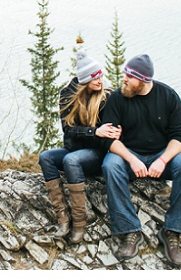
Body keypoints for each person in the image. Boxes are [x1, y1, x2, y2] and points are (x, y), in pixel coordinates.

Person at [100, 53, 181, 266]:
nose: (124, 79)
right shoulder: (118, 98)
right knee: (110, 165)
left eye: (129, 76)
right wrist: (131, 159)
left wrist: (162, 160)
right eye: (125, 74)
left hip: (161, 155)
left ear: (143, 80)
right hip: (128, 155)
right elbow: (108, 140)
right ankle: (130, 230)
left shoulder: (168, 96)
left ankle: (172, 232)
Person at [38, 44, 121, 243]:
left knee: (71, 160)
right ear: (85, 80)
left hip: (97, 153)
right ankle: (63, 219)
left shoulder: (107, 97)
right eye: (95, 78)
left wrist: (94, 134)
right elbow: (68, 130)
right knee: (45, 157)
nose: (100, 81)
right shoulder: (67, 96)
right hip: (74, 148)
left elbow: (106, 135)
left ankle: (80, 223)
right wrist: (94, 131)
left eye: (101, 77)